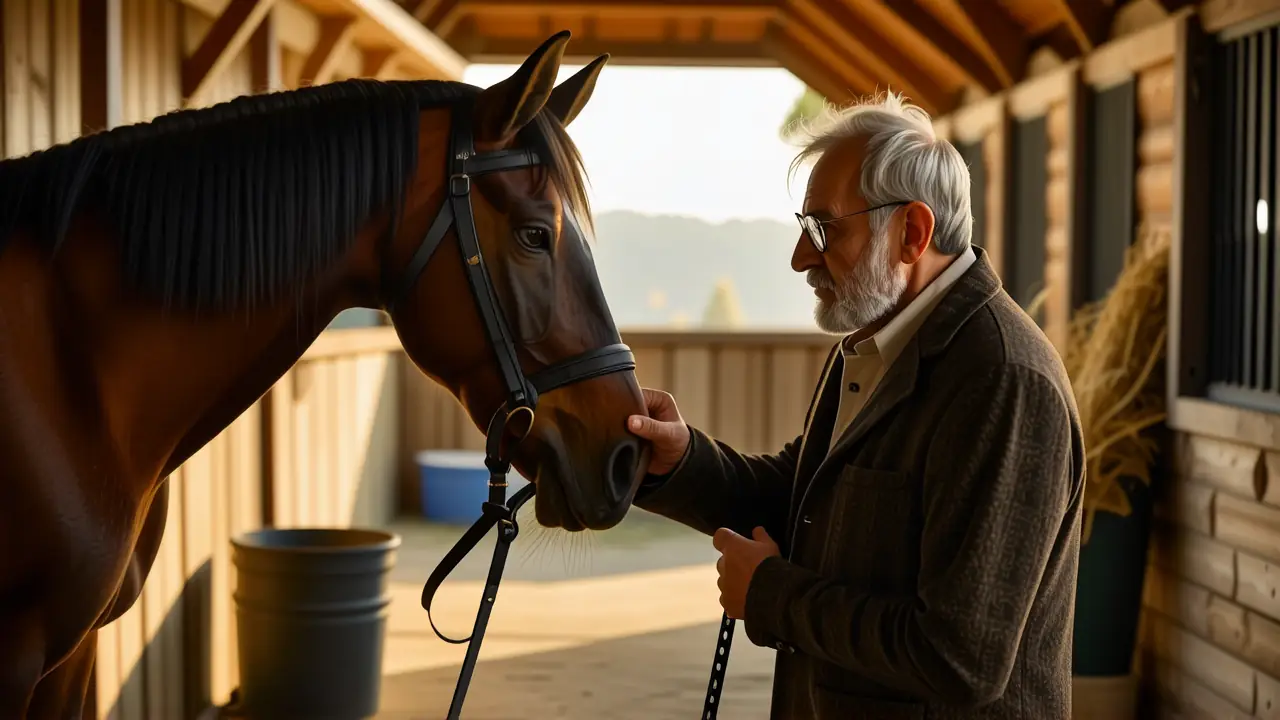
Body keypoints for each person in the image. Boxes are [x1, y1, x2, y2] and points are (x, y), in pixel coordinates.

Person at [627, 93, 1085, 719]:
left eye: (825, 228)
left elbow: (961, 656)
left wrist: (772, 595)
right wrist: (678, 461)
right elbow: (802, 502)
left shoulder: (1004, 380)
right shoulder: (875, 342)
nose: (800, 257)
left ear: (912, 233)